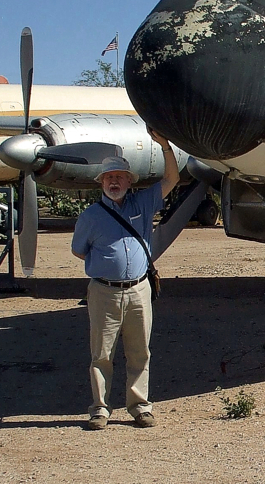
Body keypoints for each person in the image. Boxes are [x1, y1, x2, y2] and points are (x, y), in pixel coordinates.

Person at [71, 128, 180, 430]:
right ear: (101, 183)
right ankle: (100, 410)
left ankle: (139, 406)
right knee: (101, 354)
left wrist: (164, 145)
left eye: (119, 176)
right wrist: (109, 267)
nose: (114, 181)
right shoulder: (89, 217)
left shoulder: (142, 204)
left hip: (139, 290)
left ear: (130, 181)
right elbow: (79, 252)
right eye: (108, 178)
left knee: (140, 352)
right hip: (103, 292)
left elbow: (172, 179)